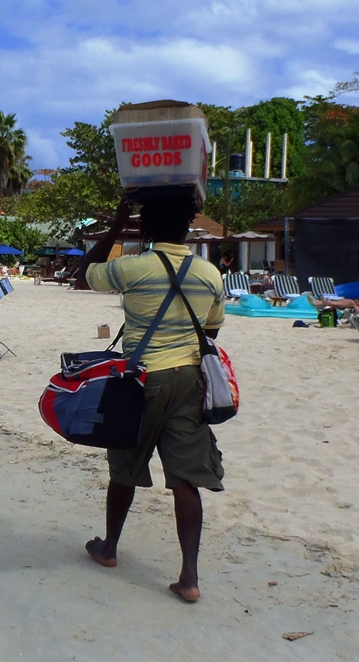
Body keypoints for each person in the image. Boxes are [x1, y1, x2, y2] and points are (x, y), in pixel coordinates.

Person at [76, 194, 226, 603]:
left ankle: (109, 548)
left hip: (142, 379)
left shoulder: (133, 267)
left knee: (125, 464)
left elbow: (83, 274)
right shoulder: (210, 274)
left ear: (146, 228)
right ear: (187, 229)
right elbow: (211, 333)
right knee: (186, 478)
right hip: (189, 381)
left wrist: (115, 225)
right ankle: (189, 578)